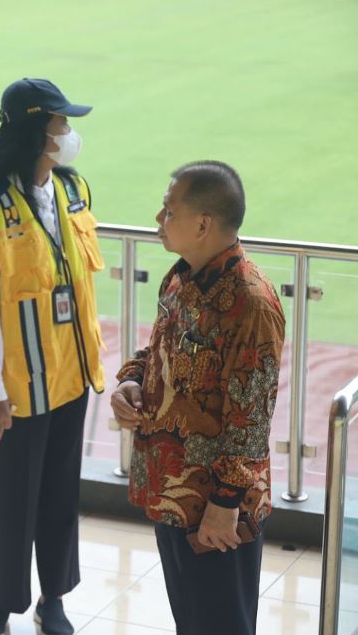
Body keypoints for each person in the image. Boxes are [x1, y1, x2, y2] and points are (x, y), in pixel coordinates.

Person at [110, 160, 284, 635]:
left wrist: (225, 505)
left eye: (168, 211)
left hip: (214, 507)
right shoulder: (182, 276)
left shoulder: (250, 302)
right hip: (172, 491)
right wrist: (132, 380)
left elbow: (252, 416)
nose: (158, 220)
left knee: (221, 625)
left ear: (203, 224)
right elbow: (159, 349)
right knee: (192, 621)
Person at [0, 78, 106, 635]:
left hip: (71, 379)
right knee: (11, 499)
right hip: (17, 392)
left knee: (58, 495)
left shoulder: (73, 193)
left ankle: (55, 598)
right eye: (60, 126)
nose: (69, 135)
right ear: (32, 135)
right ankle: (1, 603)